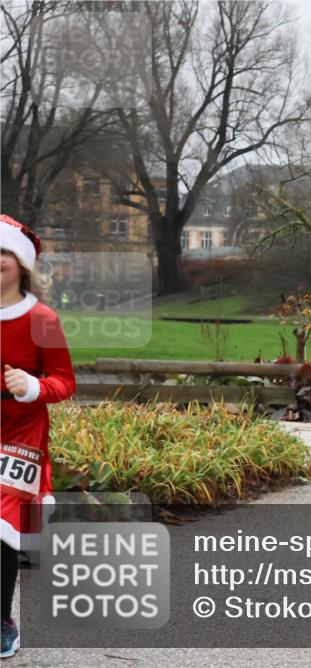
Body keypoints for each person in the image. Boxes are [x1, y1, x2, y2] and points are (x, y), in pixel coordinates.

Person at [1, 215, 76, 659]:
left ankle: (3, 620)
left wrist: (32, 387)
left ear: (22, 262)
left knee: (3, 530)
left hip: (20, 435)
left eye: (3, 253)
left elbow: (64, 382)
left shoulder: (41, 318)